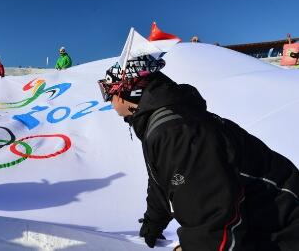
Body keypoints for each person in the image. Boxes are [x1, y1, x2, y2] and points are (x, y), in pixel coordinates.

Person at [98, 52, 299, 250]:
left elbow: (212, 212)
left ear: (127, 91)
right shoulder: (161, 120)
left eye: (108, 91)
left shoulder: (175, 131)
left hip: (282, 225)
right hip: (260, 217)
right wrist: (154, 221)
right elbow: (164, 178)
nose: (108, 99)